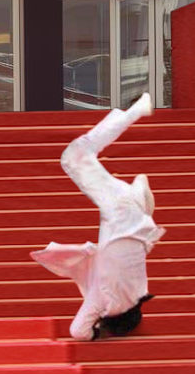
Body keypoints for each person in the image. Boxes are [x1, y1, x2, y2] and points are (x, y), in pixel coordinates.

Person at [30, 93, 166, 340]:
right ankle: (136, 112)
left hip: (139, 226)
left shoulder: (138, 290)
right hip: (119, 211)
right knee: (74, 157)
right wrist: (95, 331)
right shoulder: (104, 300)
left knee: (78, 157)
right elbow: (77, 331)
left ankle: (139, 196)